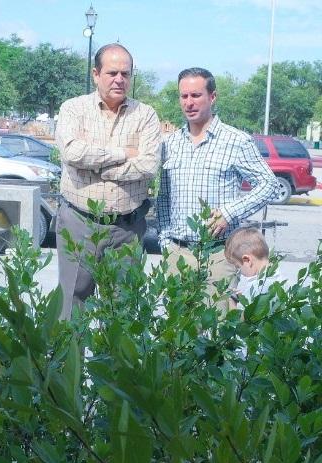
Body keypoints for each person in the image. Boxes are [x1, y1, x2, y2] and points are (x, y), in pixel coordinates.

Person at [54, 43, 162, 319]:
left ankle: (115, 364)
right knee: (71, 307)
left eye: (125, 74)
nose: (119, 80)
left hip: (127, 229)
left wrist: (101, 168)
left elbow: (149, 164)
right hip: (80, 224)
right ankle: (70, 363)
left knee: (123, 314)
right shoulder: (73, 109)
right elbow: (71, 152)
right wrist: (123, 154)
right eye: (112, 72)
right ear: (95, 74)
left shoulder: (146, 115)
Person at [156, 67, 279, 306]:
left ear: (212, 97)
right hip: (177, 255)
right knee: (178, 338)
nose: (189, 103)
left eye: (196, 95)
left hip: (218, 257)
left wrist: (229, 212)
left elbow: (269, 184)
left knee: (216, 334)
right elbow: (164, 197)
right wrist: (165, 243)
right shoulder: (170, 144)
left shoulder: (236, 141)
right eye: (184, 96)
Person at [224, 227, 285, 309]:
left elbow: (240, 320)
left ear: (247, 260)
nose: (239, 271)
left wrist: (232, 300)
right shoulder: (278, 277)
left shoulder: (257, 287)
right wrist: (243, 297)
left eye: (238, 266)